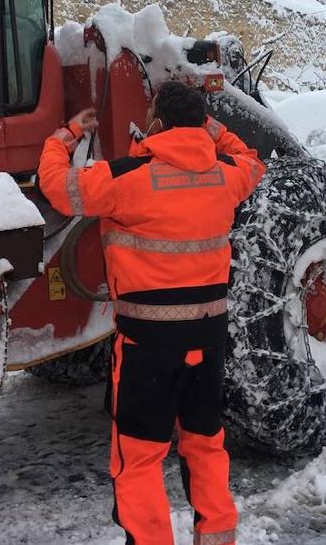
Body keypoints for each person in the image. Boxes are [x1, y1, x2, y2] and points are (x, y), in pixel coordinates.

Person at [38, 81, 265, 545]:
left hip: (148, 344)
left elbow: (58, 187)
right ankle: (218, 537)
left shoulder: (126, 177)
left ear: (157, 123)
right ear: (199, 123)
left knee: (139, 459)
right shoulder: (226, 176)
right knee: (205, 443)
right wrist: (211, 127)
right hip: (208, 338)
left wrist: (67, 134)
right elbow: (251, 159)